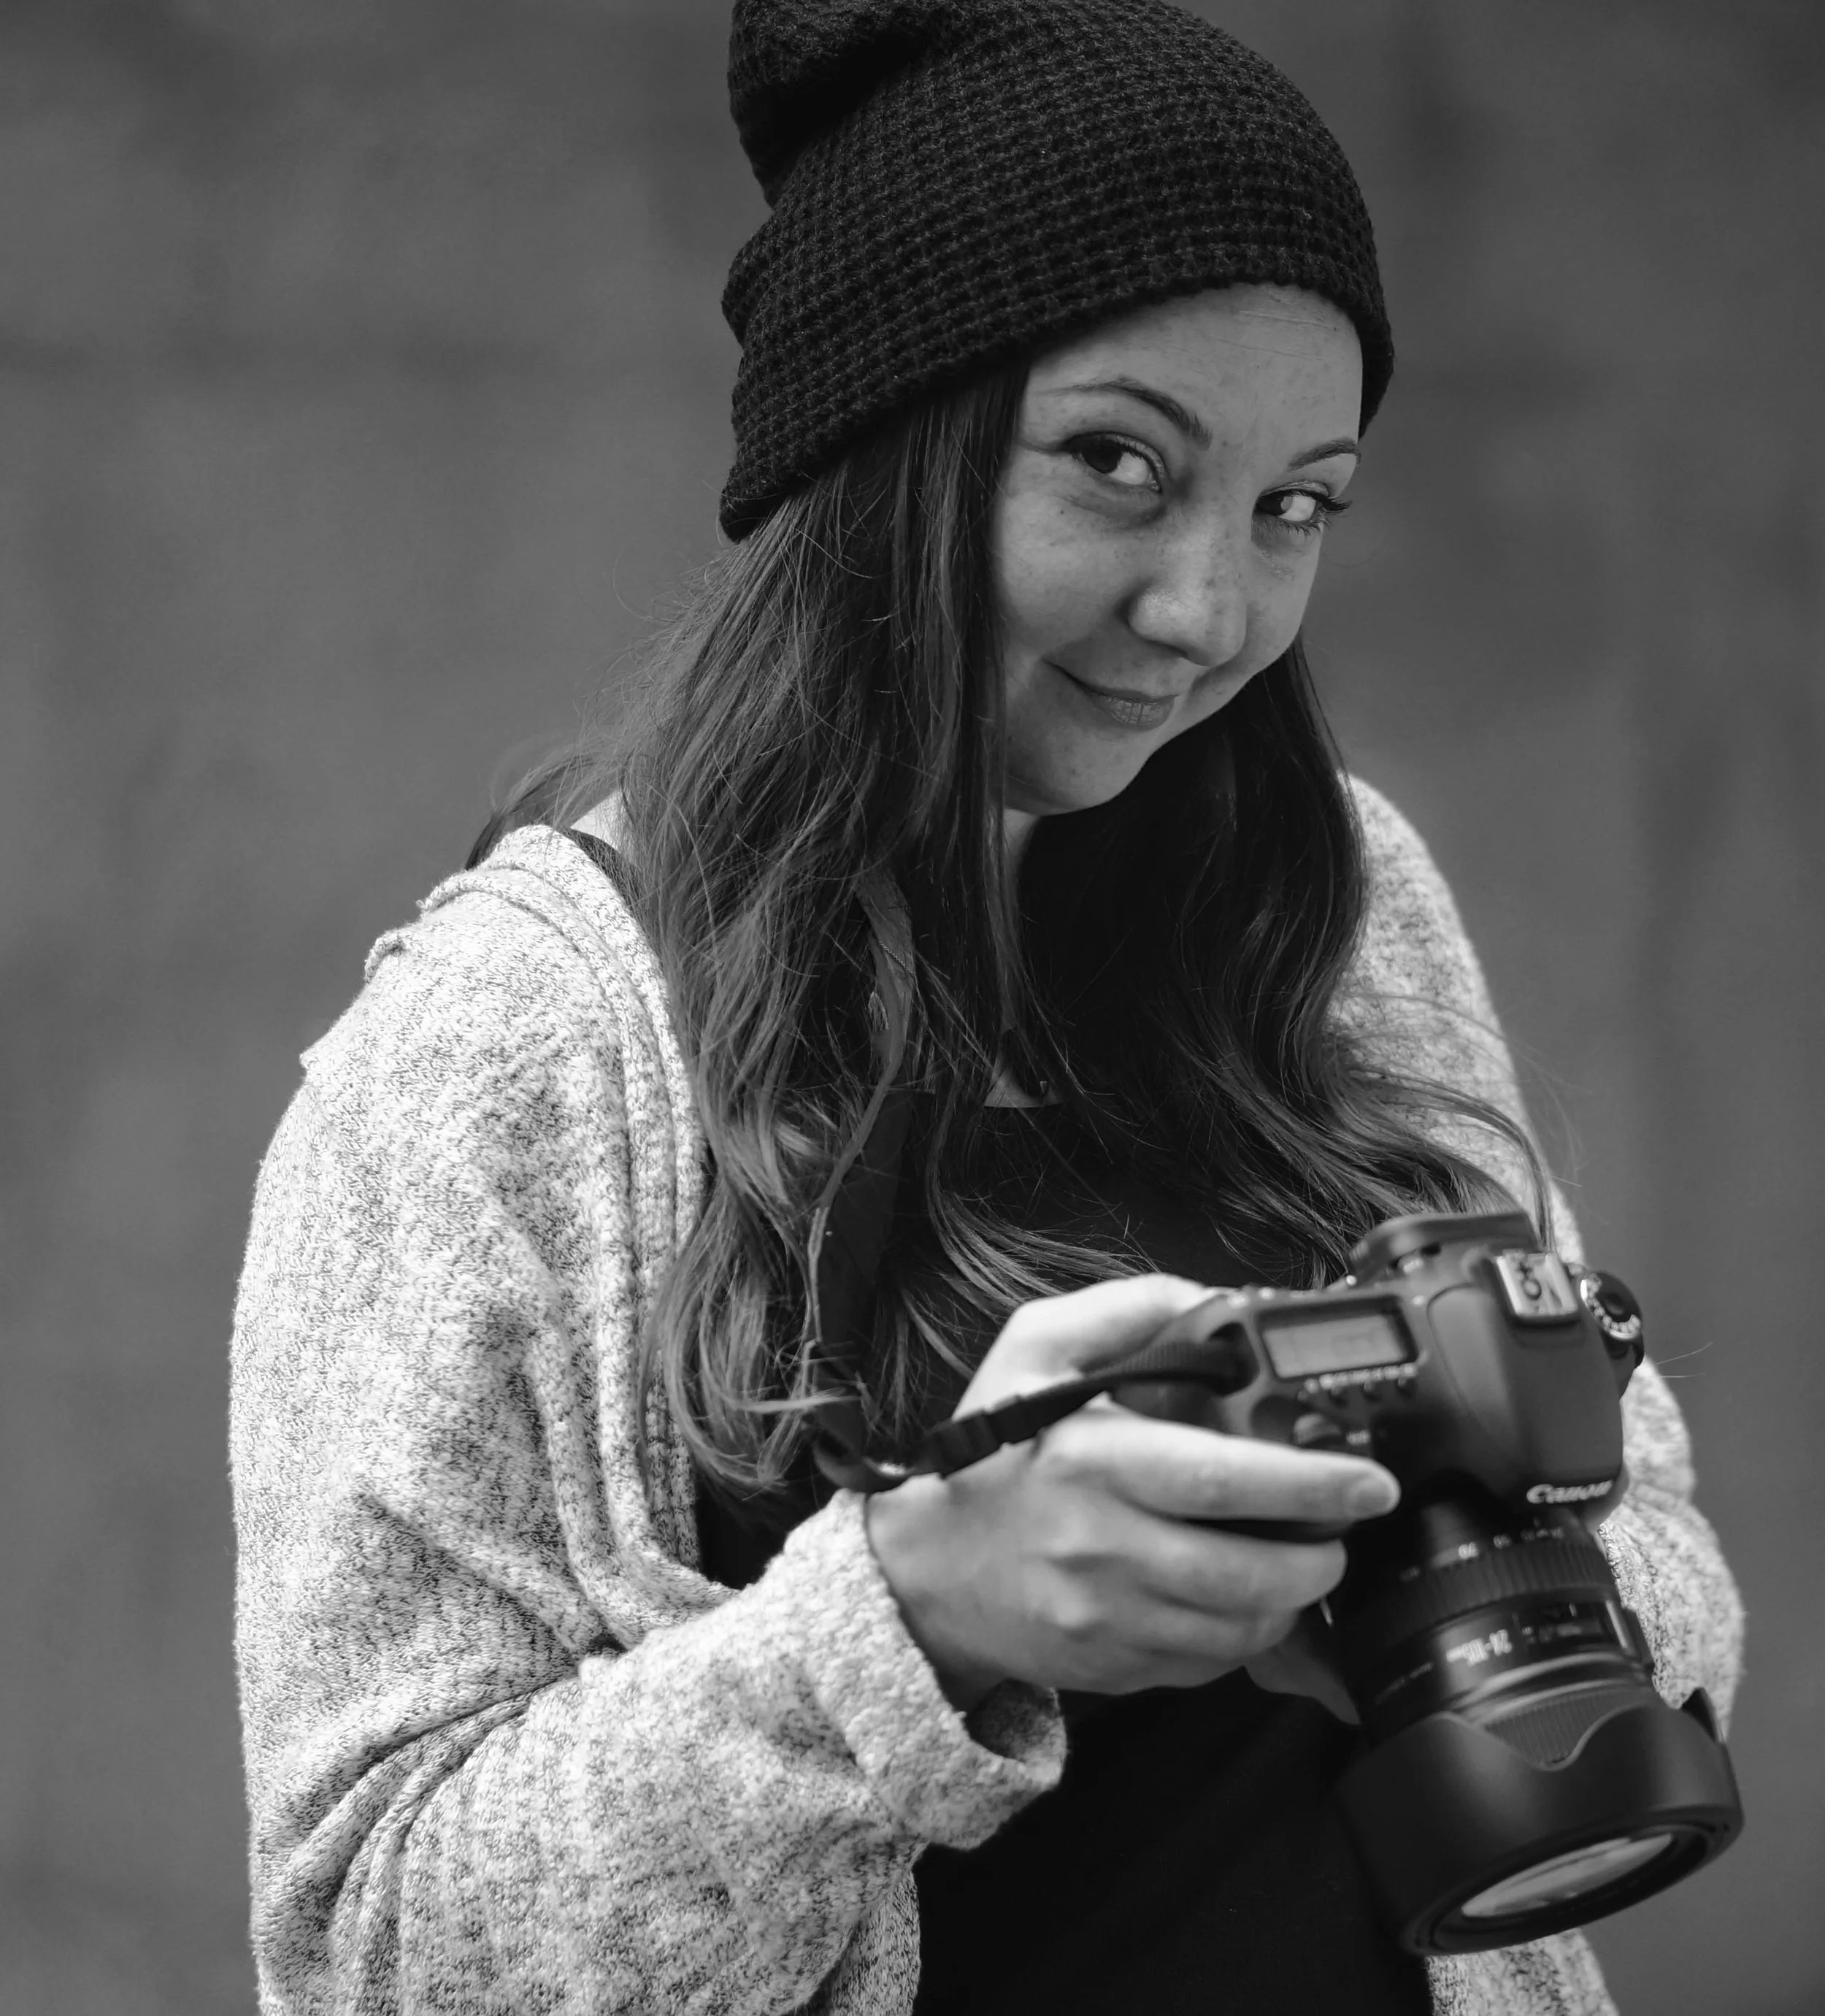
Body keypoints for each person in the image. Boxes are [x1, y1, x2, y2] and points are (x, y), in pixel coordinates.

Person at [230, 4, 1743, 2012]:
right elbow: (373, 1946)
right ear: (879, 442)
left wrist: (1392, 1558)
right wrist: (915, 1620)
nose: (1210, 607)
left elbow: (1666, 1571)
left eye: (1298, 504)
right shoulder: (502, 1059)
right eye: (1119, 465)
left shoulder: (1340, 905)